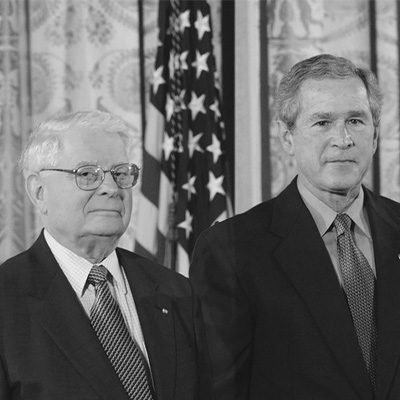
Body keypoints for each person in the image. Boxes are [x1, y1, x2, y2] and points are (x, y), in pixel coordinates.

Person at [189, 54, 400, 400]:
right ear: (287, 138)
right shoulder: (230, 249)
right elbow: (219, 390)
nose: (343, 139)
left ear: (375, 137)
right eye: (322, 123)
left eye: (356, 121)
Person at [0, 110, 213, 400]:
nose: (112, 189)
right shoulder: (7, 298)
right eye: (87, 174)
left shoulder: (177, 293)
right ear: (39, 192)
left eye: (121, 174)